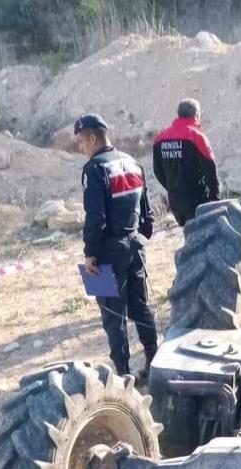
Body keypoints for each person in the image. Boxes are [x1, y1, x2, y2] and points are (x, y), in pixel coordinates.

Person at [74, 113, 159, 379]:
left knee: (113, 315)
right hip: (135, 247)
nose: (81, 148)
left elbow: (95, 218)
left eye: (81, 142)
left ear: (92, 137)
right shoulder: (133, 163)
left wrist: (89, 254)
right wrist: (140, 239)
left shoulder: (94, 169)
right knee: (139, 306)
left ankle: (123, 374)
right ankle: (153, 360)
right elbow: (148, 214)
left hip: (106, 252)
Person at [152, 99, 221, 226]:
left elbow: (158, 171)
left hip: (175, 202)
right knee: (201, 240)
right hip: (197, 202)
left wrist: (173, 187)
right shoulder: (197, 137)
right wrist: (215, 201)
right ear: (196, 116)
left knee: (188, 236)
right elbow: (211, 172)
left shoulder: (160, 139)